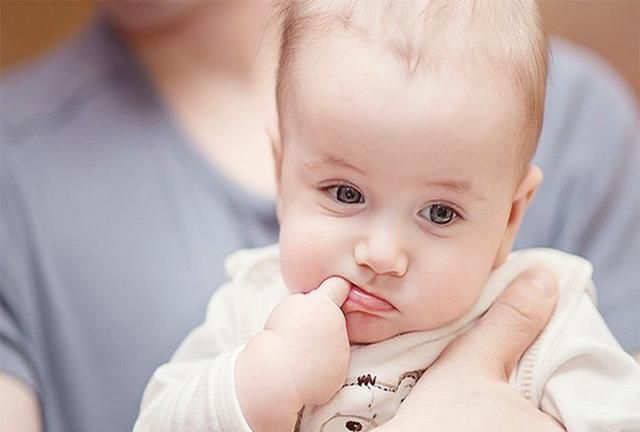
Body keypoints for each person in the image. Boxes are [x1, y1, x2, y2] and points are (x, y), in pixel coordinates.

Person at [0, 1, 637, 431]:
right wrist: (259, 383)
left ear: (509, 218)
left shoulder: (547, 316)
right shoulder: (252, 308)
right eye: (345, 194)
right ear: (282, 172)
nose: (382, 252)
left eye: (439, 212)